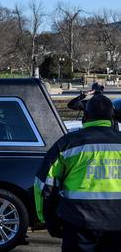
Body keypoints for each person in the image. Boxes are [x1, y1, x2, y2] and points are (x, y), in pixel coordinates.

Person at [35, 94, 121, 251]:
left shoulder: (67, 144)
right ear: (113, 116)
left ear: (86, 116)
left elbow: (44, 185)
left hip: (78, 224)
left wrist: (48, 220)